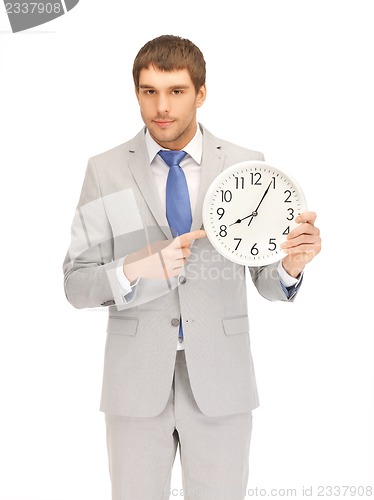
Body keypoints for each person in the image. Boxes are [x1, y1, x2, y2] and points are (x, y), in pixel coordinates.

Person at [63, 35, 321, 500]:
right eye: (149, 91)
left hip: (222, 380)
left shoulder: (247, 165)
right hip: (134, 383)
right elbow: (76, 281)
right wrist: (134, 268)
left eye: (176, 91)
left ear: (201, 93)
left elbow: (264, 278)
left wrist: (289, 265)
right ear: (137, 92)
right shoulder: (104, 171)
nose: (161, 107)